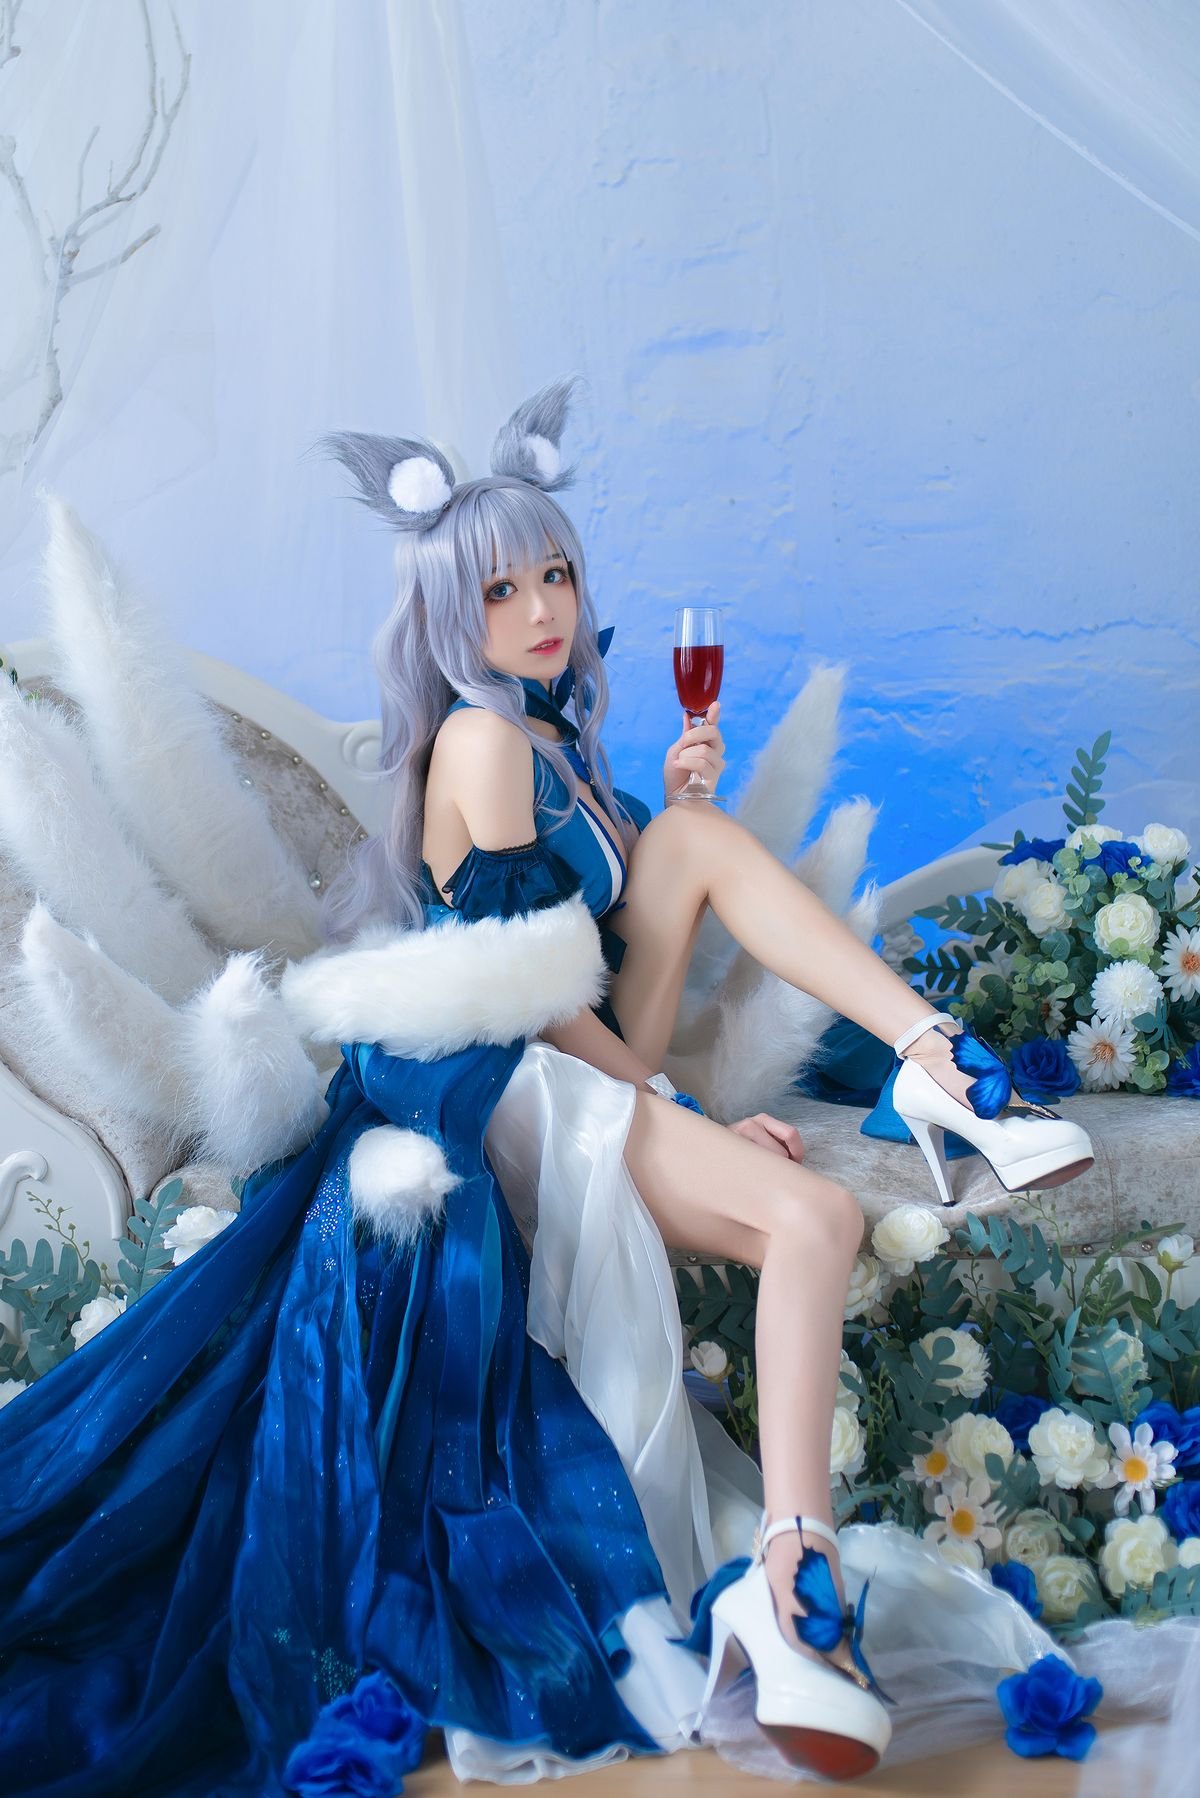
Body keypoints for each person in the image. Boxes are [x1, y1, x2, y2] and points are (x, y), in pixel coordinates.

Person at [0, 379, 1093, 1795]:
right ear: (449, 615)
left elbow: (608, 971)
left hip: (570, 1044)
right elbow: (536, 995)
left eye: (557, 574)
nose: (541, 609)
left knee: (697, 848)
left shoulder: (553, 745)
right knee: (815, 1216)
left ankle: (934, 1059)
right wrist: (680, 1108)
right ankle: (794, 1569)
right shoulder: (482, 740)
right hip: (498, 1077)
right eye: (502, 589)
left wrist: (661, 822)